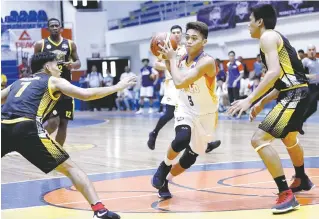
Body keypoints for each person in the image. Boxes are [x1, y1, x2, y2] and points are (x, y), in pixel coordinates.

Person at [1, 52, 137, 219]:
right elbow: (87, 94)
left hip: (3, 127)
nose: (60, 67)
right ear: (47, 67)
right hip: (27, 128)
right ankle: (100, 211)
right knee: (72, 169)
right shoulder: (53, 80)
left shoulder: (18, 82)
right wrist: (118, 86)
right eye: (56, 64)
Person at [228, 4, 314, 214]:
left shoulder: (267, 37)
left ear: (260, 21)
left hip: (294, 94)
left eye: (250, 19)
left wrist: (249, 99)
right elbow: (282, 80)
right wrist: (261, 103)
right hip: (299, 92)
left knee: (258, 139)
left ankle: (286, 194)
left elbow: (274, 73)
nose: (248, 24)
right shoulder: (272, 40)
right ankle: (301, 178)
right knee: (289, 139)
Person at [151, 21, 219, 199]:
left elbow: (180, 81)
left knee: (189, 158)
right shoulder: (180, 59)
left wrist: (171, 59)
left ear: (204, 42)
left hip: (206, 115)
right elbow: (173, 74)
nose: (188, 41)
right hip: (185, 108)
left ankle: (166, 179)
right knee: (181, 138)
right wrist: (166, 58)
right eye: (187, 37)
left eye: (194, 38)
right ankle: (164, 166)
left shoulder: (207, 62)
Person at [147, 25, 221, 153]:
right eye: (173, 32)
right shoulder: (168, 47)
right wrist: (170, 64)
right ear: (170, 34)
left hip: (186, 83)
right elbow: (156, 64)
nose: (176, 34)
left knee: (194, 113)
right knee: (170, 113)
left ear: (181, 35)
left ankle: (201, 142)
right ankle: (154, 133)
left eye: (178, 32)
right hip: (172, 83)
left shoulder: (186, 49)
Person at [34, 18, 81, 146]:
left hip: (66, 89)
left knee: (63, 124)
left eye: (56, 25)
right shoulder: (40, 45)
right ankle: (37, 142)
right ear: (48, 29)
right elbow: (34, 65)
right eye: (52, 26)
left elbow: (78, 62)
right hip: (49, 88)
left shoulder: (70, 44)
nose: (54, 28)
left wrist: (72, 65)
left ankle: (58, 153)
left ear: (61, 28)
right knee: (53, 122)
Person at [302, 44, 319, 122]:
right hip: (311, 86)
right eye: (310, 50)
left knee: (313, 108)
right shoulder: (305, 61)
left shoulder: (318, 61)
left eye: (313, 49)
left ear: (316, 51)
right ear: (307, 52)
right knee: (313, 108)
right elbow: (299, 74)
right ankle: (300, 121)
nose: (312, 51)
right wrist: (311, 76)